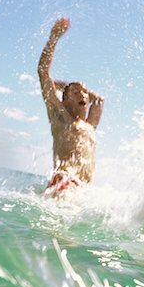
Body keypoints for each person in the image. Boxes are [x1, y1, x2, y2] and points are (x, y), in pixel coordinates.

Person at [38, 18, 104, 193]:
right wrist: (54, 38)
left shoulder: (90, 126)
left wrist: (74, 88)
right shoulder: (60, 115)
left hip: (83, 192)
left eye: (84, 92)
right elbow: (43, 72)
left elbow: (99, 100)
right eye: (75, 93)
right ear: (65, 101)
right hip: (63, 182)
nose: (82, 94)